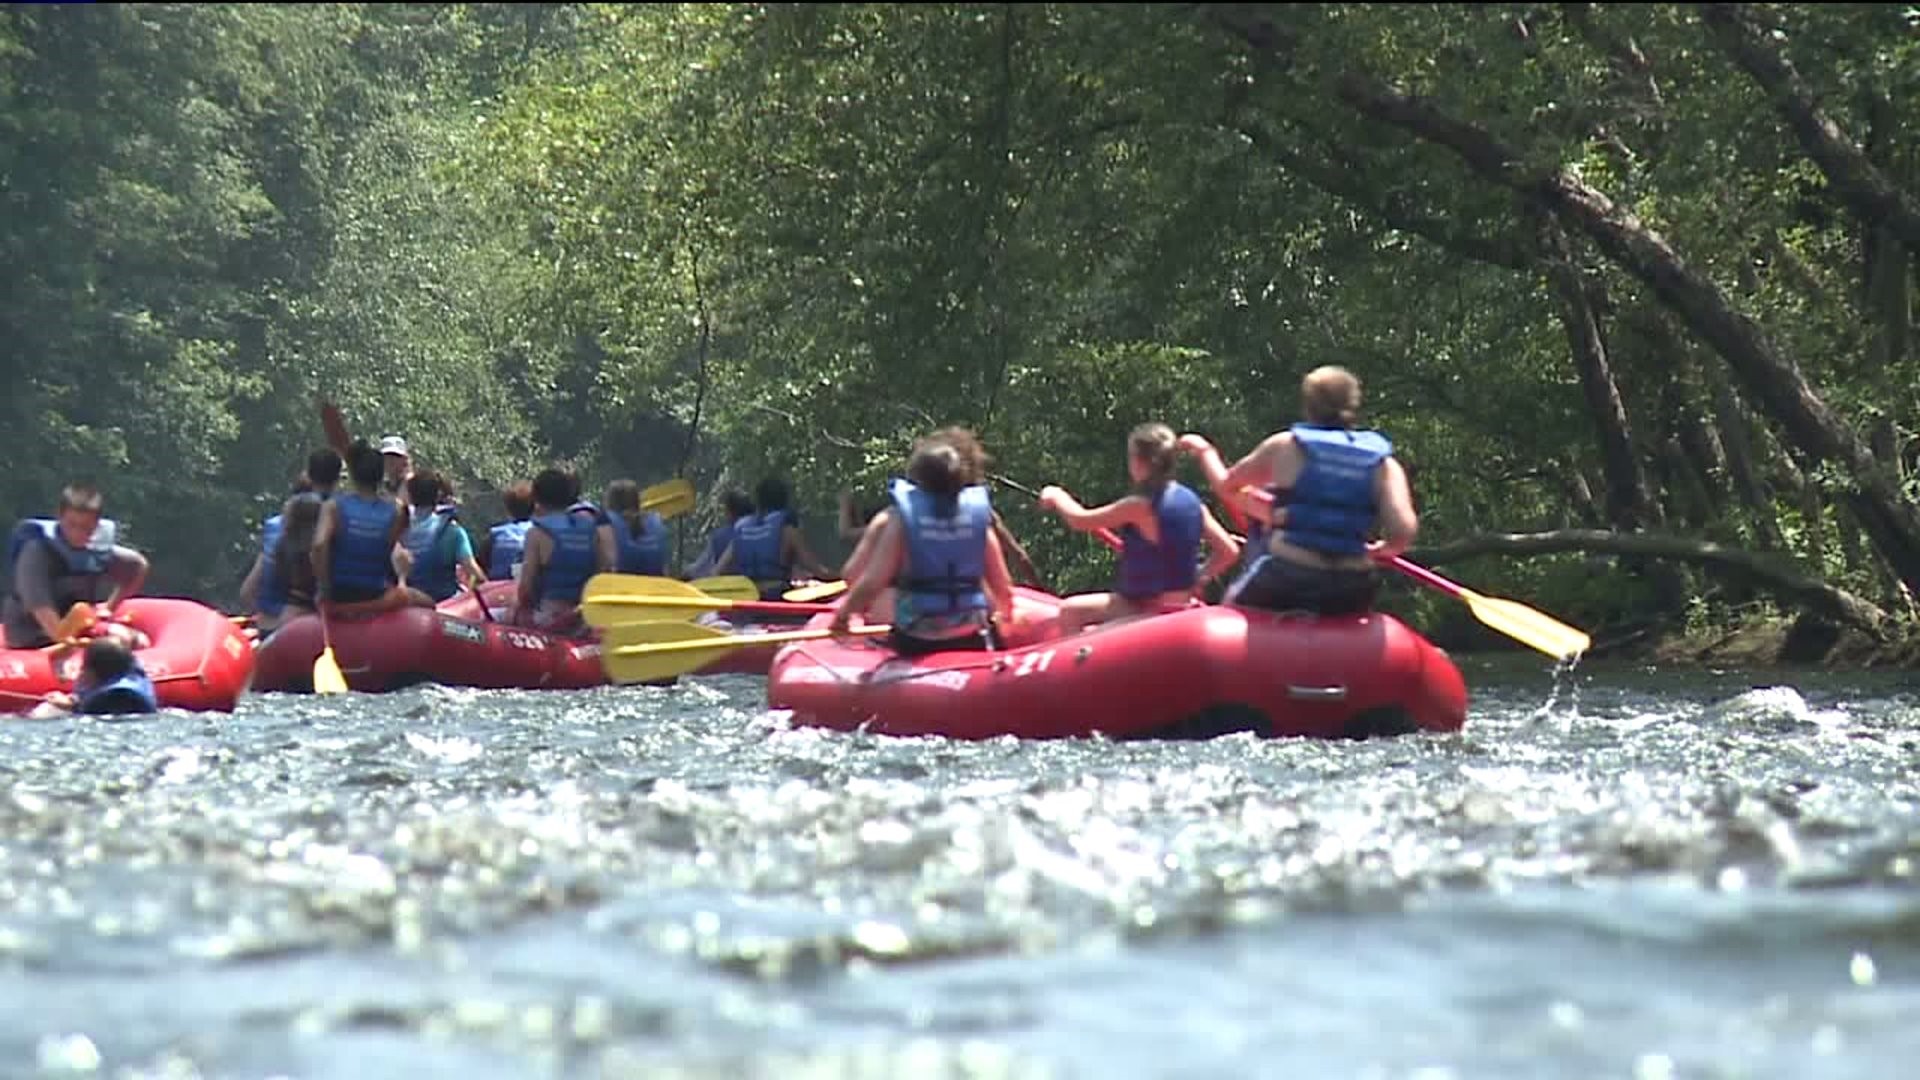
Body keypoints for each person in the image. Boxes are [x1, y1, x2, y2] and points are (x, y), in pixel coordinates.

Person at [1179, 365, 1418, 615]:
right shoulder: (1383, 464)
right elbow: (1402, 533)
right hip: (1352, 584)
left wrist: (1205, 452)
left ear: (1308, 405)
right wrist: (1381, 549)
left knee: (1228, 608)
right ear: (1353, 406)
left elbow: (1227, 486)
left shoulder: (1286, 446)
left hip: (1287, 576)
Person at [1037, 423, 1241, 636]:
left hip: (1153, 611)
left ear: (1140, 462)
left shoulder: (1139, 506)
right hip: (1173, 604)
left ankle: (1080, 667)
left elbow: (1080, 520)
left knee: (1074, 625)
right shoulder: (1194, 502)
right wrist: (1201, 574)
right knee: (1072, 610)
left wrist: (1056, 496)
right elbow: (1229, 551)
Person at [830, 431, 1015, 655]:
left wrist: (843, 616)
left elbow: (871, 582)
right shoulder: (977, 518)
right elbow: (1002, 585)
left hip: (919, 640)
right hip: (974, 635)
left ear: (916, 479)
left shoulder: (900, 520)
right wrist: (1006, 617)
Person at [4, 484, 150, 649]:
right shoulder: (36, 551)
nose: (78, 533)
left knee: (139, 641)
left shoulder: (96, 548)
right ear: (60, 517)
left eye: (86, 528)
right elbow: (40, 607)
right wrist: (66, 641)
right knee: (118, 641)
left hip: (79, 625)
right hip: (33, 631)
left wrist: (109, 608)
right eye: (72, 525)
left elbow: (137, 566)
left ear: (97, 524)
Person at [241, 448, 344, 631]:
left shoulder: (274, 527)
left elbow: (247, 593)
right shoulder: (333, 516)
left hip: (269, 623)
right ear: (337, 479)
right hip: (299, 622)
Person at [312, 440, 418, 614]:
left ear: (353, 475)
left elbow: (318, 545)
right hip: (376, 593)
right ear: (380, 475)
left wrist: (323, 587)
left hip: (339, 592)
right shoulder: (397, 510)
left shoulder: (333, 507)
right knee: (427, 602)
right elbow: (394, 550)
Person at [514, 466, 616, 636]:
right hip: (583, 620)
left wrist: (519, 611)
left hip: (549, 617)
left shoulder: (536, 534)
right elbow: (603, 572)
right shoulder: (591, 530)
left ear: (536, 498)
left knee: (500, 615)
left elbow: (525, 589)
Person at [715, 476, 836, 600]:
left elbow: (719, 571)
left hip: (748, 599)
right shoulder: (788, 531)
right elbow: (819, 571)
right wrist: (844, 578)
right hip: (776, 597)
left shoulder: (742, 530)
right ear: (784, 501)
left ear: (758, 502)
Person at [401, 470, 486, 603]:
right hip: (445, 606)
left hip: (407, 602)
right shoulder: (452, 531)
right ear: (438, 496)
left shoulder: (397, 527)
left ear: (410, 496)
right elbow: (475, 575)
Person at [31, 637, 158, 718]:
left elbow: (95, 709)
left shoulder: (105, 700)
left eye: (84, 667)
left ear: (91, 673)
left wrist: (71, 706)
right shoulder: (135, 675)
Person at [602, 479, 670, 577]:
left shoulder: (606, 522)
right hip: (654, 586)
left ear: (609, 502)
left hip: (620, 586)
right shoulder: (656, 521)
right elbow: (664, 569)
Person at [687, 489, 755, 580]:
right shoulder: (758, 532)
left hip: (725, 589)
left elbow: (701, 568)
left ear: (730, 512)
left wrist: (685, 574)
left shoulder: (719, 537)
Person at [476, 481, 535, 581]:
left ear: (508, 508)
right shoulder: (544, 533)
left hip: (499, 592)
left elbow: (480, 570)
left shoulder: (494, 535)